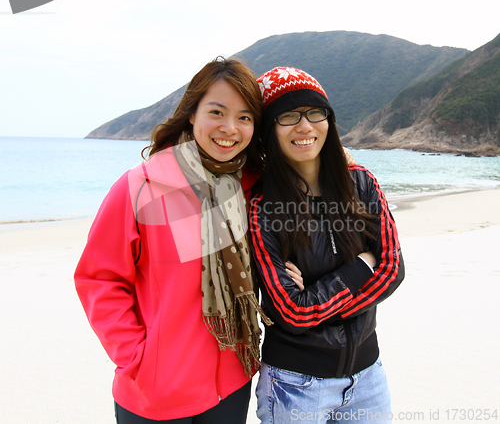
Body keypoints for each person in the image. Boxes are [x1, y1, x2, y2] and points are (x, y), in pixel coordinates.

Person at [74, 57, 270, 423]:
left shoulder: (253, 187)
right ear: (191, 113)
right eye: (217, 112)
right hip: (156, 392)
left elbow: (309, 170)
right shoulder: (142, 186)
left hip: (232, 383)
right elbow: (99, 278)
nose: (230, 128)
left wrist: (340, 158)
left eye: (245, 117)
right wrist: (137, 359)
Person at [249, 67, 405, 423]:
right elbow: (292, 312)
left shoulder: (361, 183)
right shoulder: (263, 208)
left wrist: (316, 299)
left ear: (328, 120)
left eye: (314, 113)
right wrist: (362, 267)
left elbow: (394, 270)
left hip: (368, 375)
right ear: (269, 130)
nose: (304, 127)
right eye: (288, 116)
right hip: (296, 383)